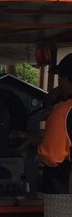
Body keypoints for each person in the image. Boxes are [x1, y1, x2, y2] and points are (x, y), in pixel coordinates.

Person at [37, 54, 72, 194]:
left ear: (67, 79)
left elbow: (51, 156)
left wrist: (37, 144)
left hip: (65, 201)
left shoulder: (63, 112)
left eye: (59, 79)